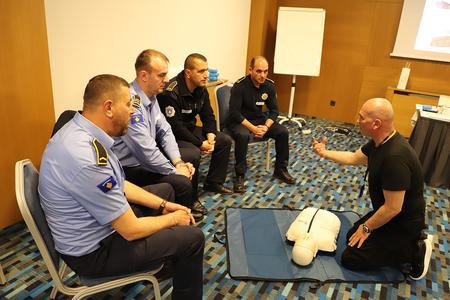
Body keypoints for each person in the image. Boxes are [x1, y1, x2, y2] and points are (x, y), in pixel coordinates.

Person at [38, 74, 204, 299]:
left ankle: (170, 257)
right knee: (192, 238)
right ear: (108, 108)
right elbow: (131, 229)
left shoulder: (82, 131)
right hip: (95, 253)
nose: (133, 111)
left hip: (97, 227)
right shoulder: (87, 158)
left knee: (166, 191)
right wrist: (175, 218)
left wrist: (164, 205)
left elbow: (120, 184)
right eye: (128, 105)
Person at [312, 98, 433, 280]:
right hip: (389, 215)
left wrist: (367, 228)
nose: (357, 120)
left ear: (376, 124)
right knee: (352, 235)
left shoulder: (395, 158)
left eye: (361, 117)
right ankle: (399, 245)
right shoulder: (380, 142)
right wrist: (324, 152)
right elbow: (354, 158)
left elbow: (393, 208)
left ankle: (414, 249)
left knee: (350, 258)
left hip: (402, 224)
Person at [113, 49, 207, 220]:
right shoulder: (131, 103)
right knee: (182, 183)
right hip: (130, 168)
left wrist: (178, 162)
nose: (167, 80)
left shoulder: (151, 96)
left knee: (188, 158)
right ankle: (181, 224)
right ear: (144, 76)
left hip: (143, 159)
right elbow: (146, 151)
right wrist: (175, 171)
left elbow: (165, 130)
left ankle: (186, 210)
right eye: (161, 75)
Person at [158, 53, 233, 195]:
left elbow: (208, 115)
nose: (206, 75)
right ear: (188, 73)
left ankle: (214, 183)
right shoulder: (171, 92)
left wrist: (210, 136)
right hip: (174, 135)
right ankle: (191, 196)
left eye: (206, 70)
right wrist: (200, 143)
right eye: (201, 71)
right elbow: (176, 127)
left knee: (223, 140)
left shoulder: (201, 88)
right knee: (194, 153)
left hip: (190, 129)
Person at [226, 56, 295, 193]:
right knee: (242, 135)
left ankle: (280, 169)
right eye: (258, 71)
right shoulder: (239, 86)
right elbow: (234, 113)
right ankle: (240, 175)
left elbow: (274, 111)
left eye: (265, 71)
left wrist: (266, 126)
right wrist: (253, 128)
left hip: (259, 120)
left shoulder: (269, 85)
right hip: (240, 121)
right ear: (250, 70)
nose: (262, 75)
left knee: (283, 132)